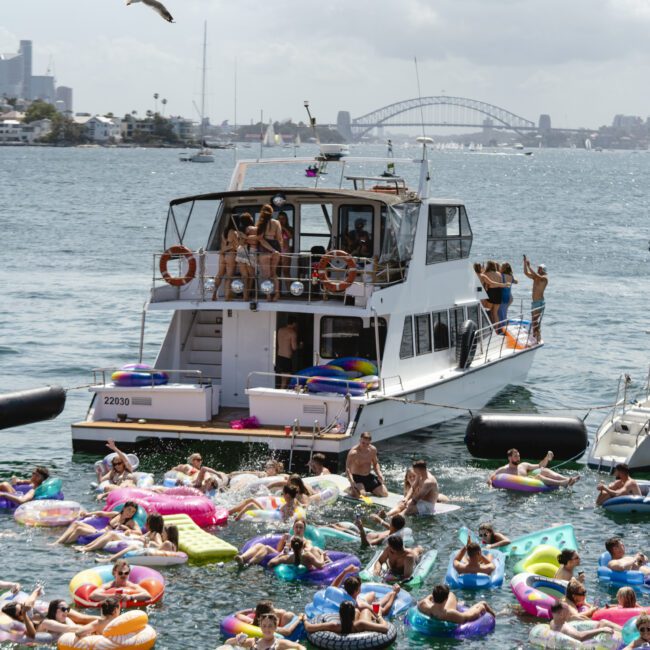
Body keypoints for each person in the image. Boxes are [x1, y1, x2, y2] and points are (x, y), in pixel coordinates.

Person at [52, 501, 141, 546]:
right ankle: (58, 542)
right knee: (76, 523)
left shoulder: (130, 522)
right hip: (99, 531)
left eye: (133, 512)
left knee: (79, 529)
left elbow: (139, 532)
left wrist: (127, 529)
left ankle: (64, 544)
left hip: (104, 535)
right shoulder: (116, 514)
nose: (130, 513)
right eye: (129, 510)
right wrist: (87, 514)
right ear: (124, 508)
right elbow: (100, 513)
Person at [488, 448, 580, 488]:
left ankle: (568, 480)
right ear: (509, 458)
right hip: (519, 486)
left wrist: (547, 458)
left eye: (518, 456)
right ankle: (562, 483)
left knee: (545, 470)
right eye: (515, 456)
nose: (518, 457)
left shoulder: (523, 465)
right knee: (539, 476)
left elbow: (540, 466)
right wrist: (490, 486)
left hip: (529, 482)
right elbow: (491, 477)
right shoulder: (504, 469)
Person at [304, 601, 390, 637]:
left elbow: (308, 627)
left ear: (340, 615)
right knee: (366, 610)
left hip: (347, 627)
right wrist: (379, 616)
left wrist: (304, 619)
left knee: (357, 610)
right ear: (352, 617)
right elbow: (385, 628)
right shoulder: (361, 624)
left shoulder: (334, 625)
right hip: (358, 628)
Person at [417, 583, 495, 623]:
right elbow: (467, 617)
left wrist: (433, 595)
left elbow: (426, 599)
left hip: (434, 608)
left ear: (433, 596)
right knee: (483, 603)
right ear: (446, 599)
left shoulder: (423, 605)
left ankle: (459, 603)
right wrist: (480, 608)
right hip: (445, 609)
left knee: (450, 595)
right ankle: (496, 616)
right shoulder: (450, 614)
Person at [330, 573, 401, 616]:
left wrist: (345, 572)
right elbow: (385, 611)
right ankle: (393, 592)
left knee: (372, 594)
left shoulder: (343, 593)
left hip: (360, 599)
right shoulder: (361, 605)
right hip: (365, 604)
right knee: (388, 596)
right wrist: (394, 593)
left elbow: (331, 588)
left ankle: (378, 602)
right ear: (357, 591)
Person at [226, 612, 306, 649]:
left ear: (275, 628)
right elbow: (227, 643)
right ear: (260, 627)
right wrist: (237, 639)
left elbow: (299, 646)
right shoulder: (254, 641)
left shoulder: (279, 643)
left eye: (270, 626)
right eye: (264, 626)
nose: (267, 629)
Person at [549, 601, 620, 641]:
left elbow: (570, 618)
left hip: (581, 632)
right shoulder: (565, 629)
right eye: (567, 610)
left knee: (602, 622)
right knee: (604, 623)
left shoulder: (553, 622)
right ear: (561, 614)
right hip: (588, 642)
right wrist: (602, 630)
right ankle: (625, 633)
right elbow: (580, 636)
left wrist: (576, 618)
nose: (569, 611)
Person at [345, 432, 388, 498]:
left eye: (367, 444)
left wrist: (379, 474)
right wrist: (351, 481)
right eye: (363, 443)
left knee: (385, 494)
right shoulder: (353, 452)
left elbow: (375, 463)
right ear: (360, 440)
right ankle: (350, 489)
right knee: (362, 495)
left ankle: (368, 489)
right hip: (357, 477)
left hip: (368, 476)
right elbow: (347, 468)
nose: (365, 445)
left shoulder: (372, 450)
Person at [234, 600, 303, 639]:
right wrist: (299, 618)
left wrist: (252, 610)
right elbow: (287, 631)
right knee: (288, 615)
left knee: (285, 614)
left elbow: (237, 614)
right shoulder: (268, 628)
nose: (275, 612)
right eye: (273, 611)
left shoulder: (251, 622)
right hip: (279, 638)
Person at [229, 484, 299, 521]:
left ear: (287, 495)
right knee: (251, 499)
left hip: (268, 515)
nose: (282, 495)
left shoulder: (289, 508)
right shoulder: (293, 501)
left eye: (283, 493)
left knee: (251, 505)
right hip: (270, 512)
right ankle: (231, 512)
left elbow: (286, 520)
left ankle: (236, 518)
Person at [256, 204, 283, 301]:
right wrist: (278, 250)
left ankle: (268, 296)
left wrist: (270, 249)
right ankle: (277, 294)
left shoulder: (262, 223)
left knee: (266, 274)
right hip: (276, 248)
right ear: (272, 212)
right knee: (274, 273)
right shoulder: (276, 223)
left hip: (264, 249)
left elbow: (260, 239)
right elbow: (280, 238)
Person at [36, 599, 100, 639]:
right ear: (54, 610)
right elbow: (70, 628)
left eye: (68, 609)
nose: (66, 612)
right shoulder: (46, 623)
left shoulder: (66, 619)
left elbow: (75, 628)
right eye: (63, 609)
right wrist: (97, 626)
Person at [212, 216, 239, 301]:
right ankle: (227, 297)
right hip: (230, 254)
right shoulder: (234, 232)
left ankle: (214, 294)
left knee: (219, 275)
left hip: (222, 255)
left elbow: (223, 244)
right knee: (229, 277)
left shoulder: (224, 232)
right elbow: (237, 246)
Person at [266, 535, 331, 571]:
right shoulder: (307, 555)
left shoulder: (287, 558)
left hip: (296, 573)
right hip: (311, 573)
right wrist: (322, 555)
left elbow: (270, 563)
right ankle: (330, 561)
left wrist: (281, 555)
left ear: (291, 547)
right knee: (316, 549)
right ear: (303, 546)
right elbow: (320, 565)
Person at [523, 254, 548, 340]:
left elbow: (538, 276)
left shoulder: (544, 278)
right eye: (538, 268)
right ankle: (535, 335)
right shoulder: (535, 277)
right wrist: (525, 264)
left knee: (534, 320)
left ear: (543, 270)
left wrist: (529, 266)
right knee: (534, 321)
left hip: (539, 302)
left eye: (539, 268)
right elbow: (526, 273)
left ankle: (538, 335)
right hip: (534, 302)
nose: (538, 269)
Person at [234, 212, 257, 301]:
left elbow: (239, 243)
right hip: (249, 251)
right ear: (249, 220)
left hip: (240, 250)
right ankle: (249, 293)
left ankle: (245, 296)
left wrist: (243, 238)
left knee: (244, 276)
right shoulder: (251, 229)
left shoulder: (238, 231)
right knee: (251, 275)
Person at [481, 260, 511, 326]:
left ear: (488, 266)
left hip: (491, 292)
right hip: (498, 293)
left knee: (489, 312)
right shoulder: (499, 274)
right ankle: (497, 329)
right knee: (495, 313)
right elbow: (500, 284)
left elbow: (484, 280)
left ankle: (491, 328)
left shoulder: (486, 273)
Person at [276, 318, 298, 388]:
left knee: (283, 377)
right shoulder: (292, 333)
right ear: (294, 323)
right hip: (287, 357)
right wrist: (300, 346)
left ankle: (281, 391)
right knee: (287, 377)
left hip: (279, 355)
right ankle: (282, 392)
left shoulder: (280, 330)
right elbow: (294, 347)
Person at [277, 211, 294, 294]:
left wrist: (283, 228)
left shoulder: (289, 228)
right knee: (277, 273)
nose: (281, 220)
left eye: (283, 219)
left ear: (286, 219)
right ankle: (278, 292)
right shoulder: (275, 229)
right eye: (279, 219)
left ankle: (290, 292)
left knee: (286, 272)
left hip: (286, 252)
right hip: (276, 252)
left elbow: (291, 236)